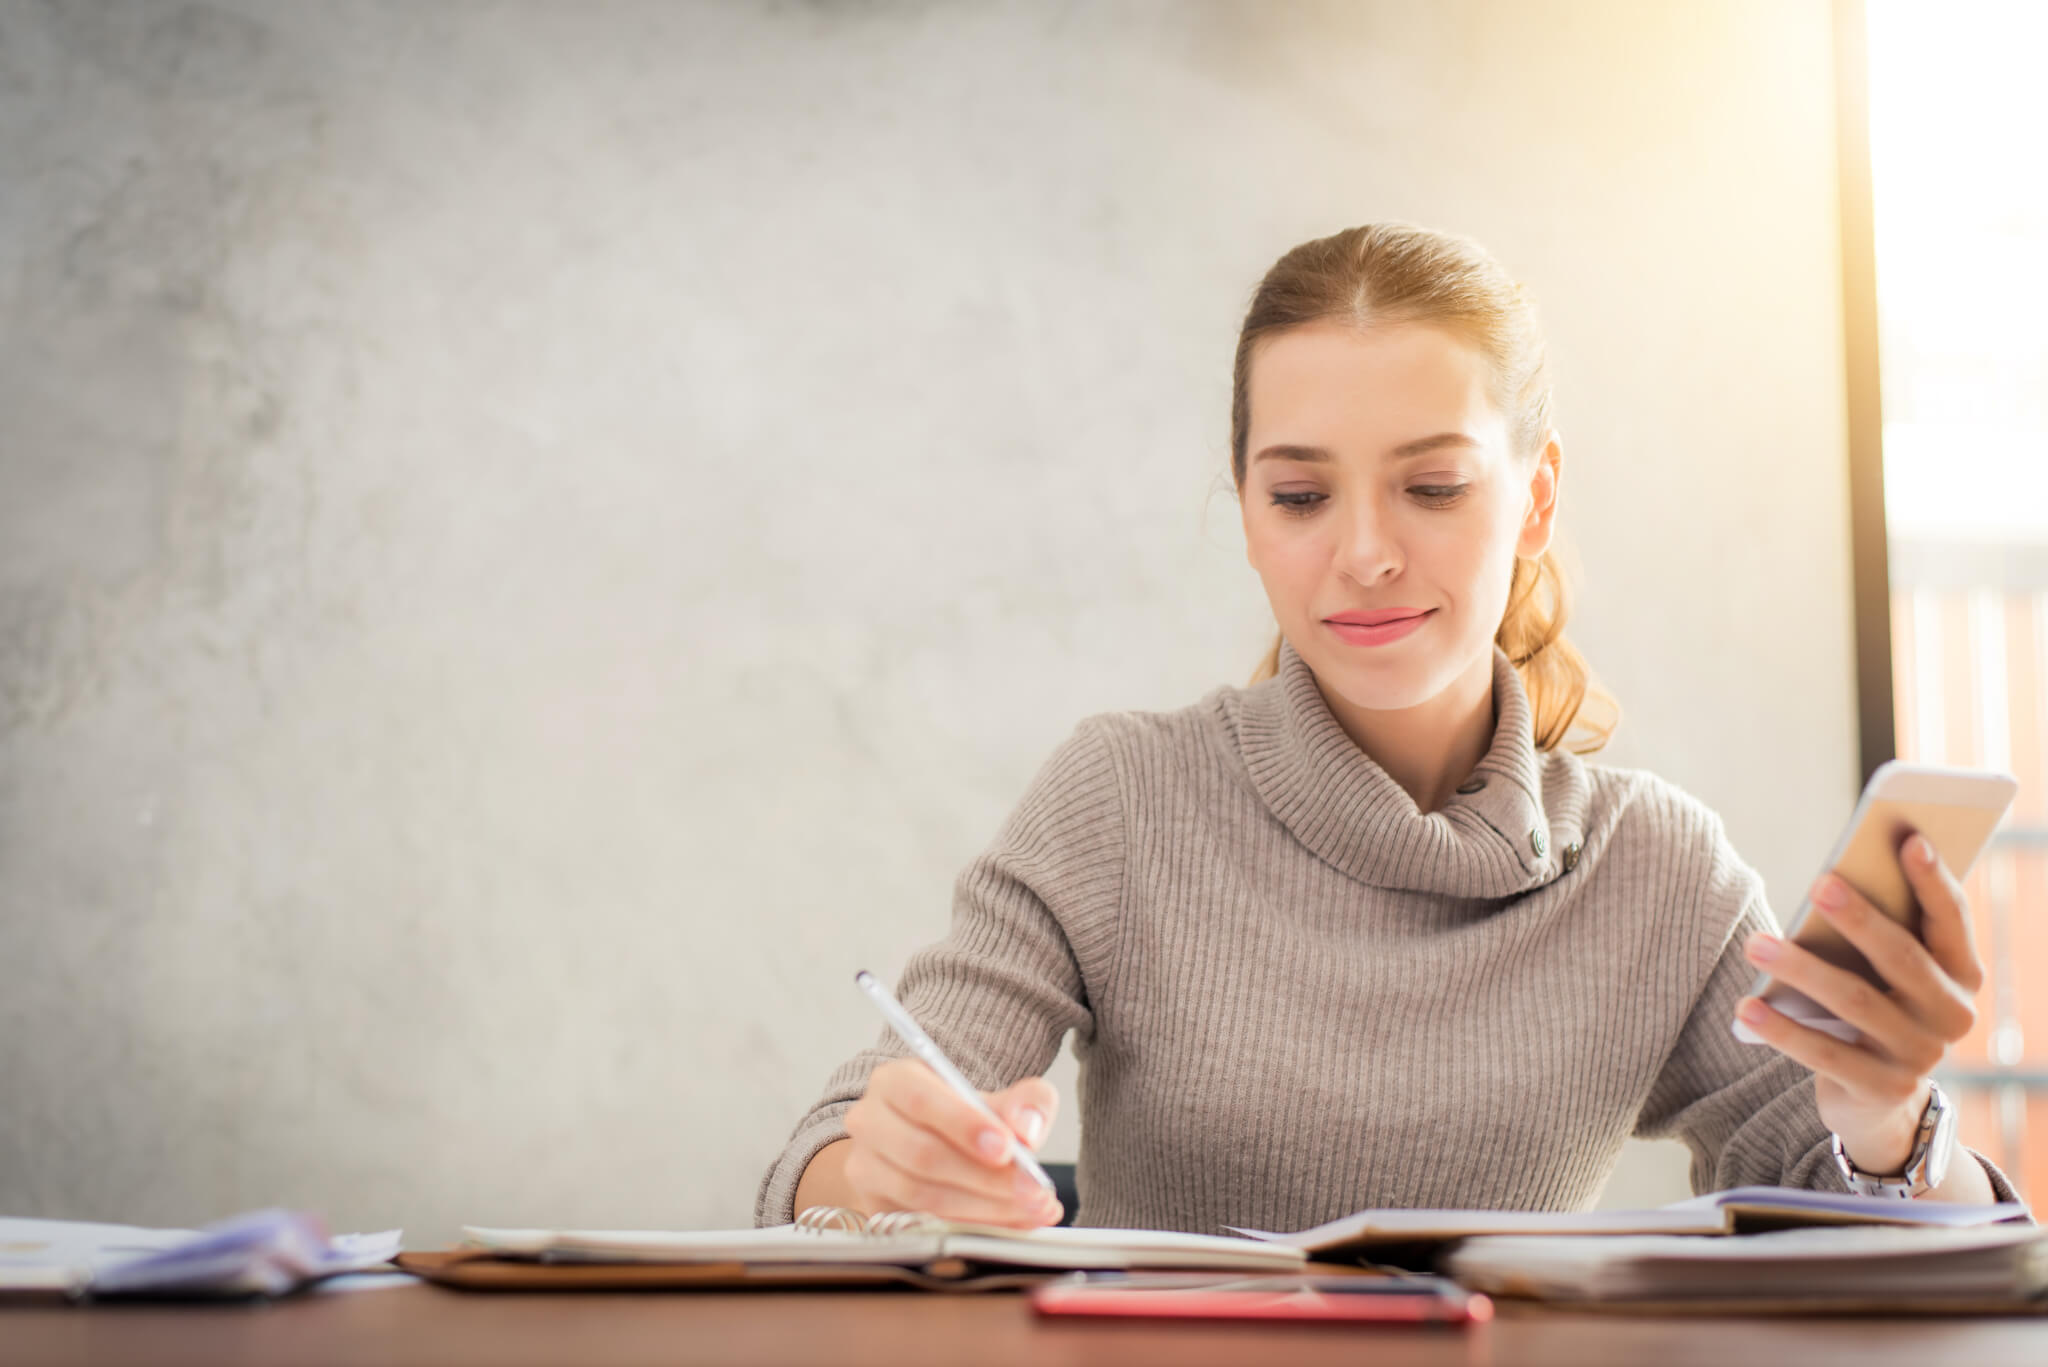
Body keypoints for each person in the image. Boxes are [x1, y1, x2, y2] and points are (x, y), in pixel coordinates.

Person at [754, 222, 2024, 1234]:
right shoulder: (1122, 795)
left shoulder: (1657, 868)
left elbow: (1892, 1241)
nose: (1362, 553)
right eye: (1300, 493)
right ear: (1247, 511)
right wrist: (884, 1170)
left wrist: (1883, 1113)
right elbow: (810, 1171)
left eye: (1430, 486)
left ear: (1533, 499)